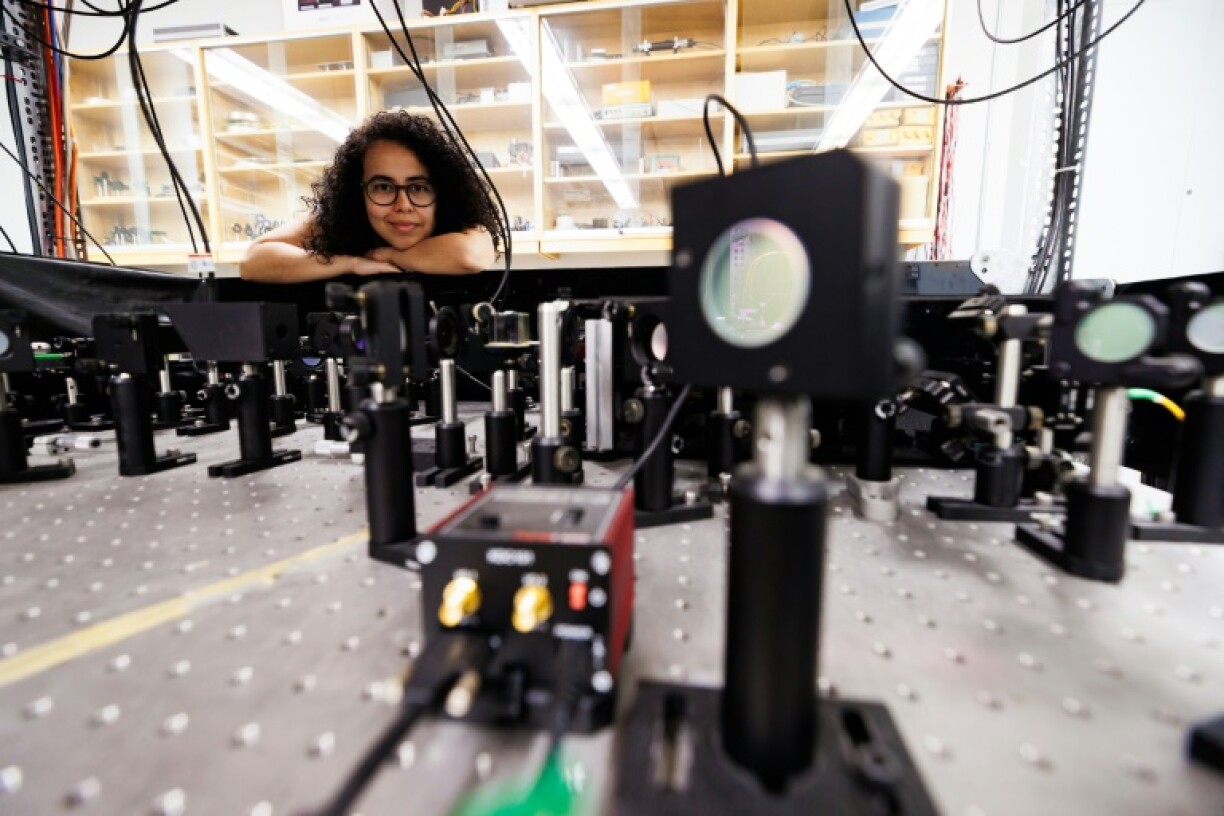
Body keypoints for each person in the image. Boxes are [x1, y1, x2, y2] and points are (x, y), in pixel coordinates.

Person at [239, 110, 500, 283]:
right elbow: (253, 260)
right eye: (384, 187)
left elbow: (470, 255)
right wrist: (350, 263)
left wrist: (386, 256)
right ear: (357, 191)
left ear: (442, 192)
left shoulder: (462, 222)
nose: (403, 205)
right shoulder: (337, 221)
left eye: (419, 187)